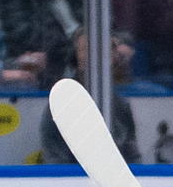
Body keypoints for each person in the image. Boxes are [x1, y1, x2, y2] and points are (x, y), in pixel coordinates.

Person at [40, 27, 141, 165]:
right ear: (74, 57)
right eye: (86, 50)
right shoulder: (61, 105)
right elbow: (55, 161)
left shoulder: (120, 104)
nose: (94, 56)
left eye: (103, 49)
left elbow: (132, 156)